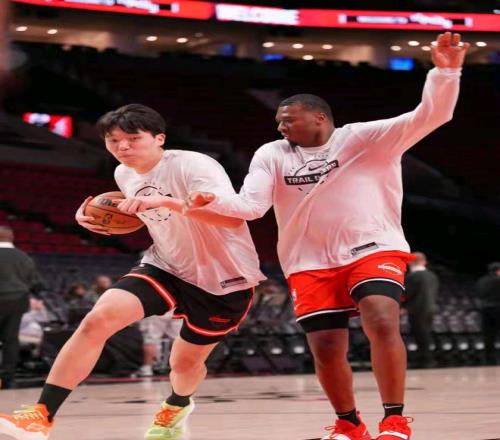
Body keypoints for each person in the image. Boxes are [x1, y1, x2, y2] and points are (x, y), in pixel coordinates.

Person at [186, 32, 469, 440]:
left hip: (373, 247)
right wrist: (210, 201)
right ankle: (349, 425)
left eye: (289, 119)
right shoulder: (271, 153)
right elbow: (251, 206)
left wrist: (446, 72)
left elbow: (432, 114)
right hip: (308, 260)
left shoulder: (365, 138)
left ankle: (394, 420)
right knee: (326, 347)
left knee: (381, 317)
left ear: (320, 118)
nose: (281, 125)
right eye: (278, 120)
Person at [0, 104, 265, 440]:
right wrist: (96, 217)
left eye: (132, 139)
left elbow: (233, 218)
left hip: (224, 279)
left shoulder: (194, 166)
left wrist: (165, 202)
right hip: (165, 265)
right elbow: (146, 215)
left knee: (184, 365)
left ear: (159, 139)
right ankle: (41, 416)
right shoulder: (123, 174)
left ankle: (176, 405)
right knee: (97, 320)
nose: (122, 147)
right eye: (113, 140)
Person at [0, 225, 44, 389]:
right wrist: (36, 297)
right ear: (11, 237)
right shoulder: (24, 257)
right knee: (10, 339)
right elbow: (37, 283)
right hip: (17, 301)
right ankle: (7, 379)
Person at [404, 252, 439, 368]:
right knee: (426, 334)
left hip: (416, 310)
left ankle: (425, 360)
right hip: (430, 308)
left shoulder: (412, 277)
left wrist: (402, 306)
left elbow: (406, 294)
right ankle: (427, 359)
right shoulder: (432, 276)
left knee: (420, 335)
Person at [476, 262, 500, 365]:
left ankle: (489, 361)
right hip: (498, 309)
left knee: (488, 337)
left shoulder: (481, 281)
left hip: (485, 310)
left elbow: (479, 295)